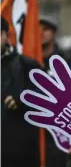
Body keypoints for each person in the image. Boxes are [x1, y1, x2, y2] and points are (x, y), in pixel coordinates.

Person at [40, 15, 71, 167]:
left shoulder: (66, 61)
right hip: (35, 133)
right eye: (36, 29)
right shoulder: (27, 61)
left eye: (46, 30)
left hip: (60, 133)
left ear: (54, 33)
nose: (40, 33)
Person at [1, 17, 40, 167]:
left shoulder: (26, 65)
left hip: (21, 154)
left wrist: (22, 99)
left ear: (7, 36)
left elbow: (46, 97)